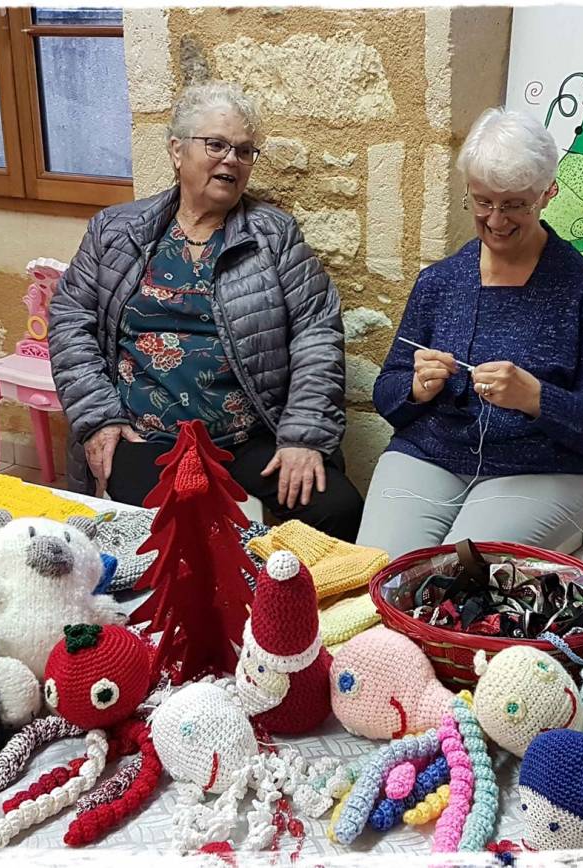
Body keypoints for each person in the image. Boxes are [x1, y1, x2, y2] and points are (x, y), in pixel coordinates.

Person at [49, 81, 363, 540]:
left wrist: (303, 436)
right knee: (181, 537)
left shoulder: (274, 237)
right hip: (146, 434)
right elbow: (69, 321)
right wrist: (100, 418)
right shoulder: (115, 230)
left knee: (338, 507)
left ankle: (293, 609)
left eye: (244, 150)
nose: (231, 160)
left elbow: (317, 333)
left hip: (247, 435)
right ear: (177, 151)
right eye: (216, 145)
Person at [356, 107, 583, 556]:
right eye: (483, 201)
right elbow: (387, 393)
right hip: (431, 454)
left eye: (514, 204)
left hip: (544, 469)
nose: (496, 219)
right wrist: (415, 388)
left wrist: (537, 398)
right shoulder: (441, 282)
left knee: (450, 576)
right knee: (378, 574)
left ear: (548, 194)